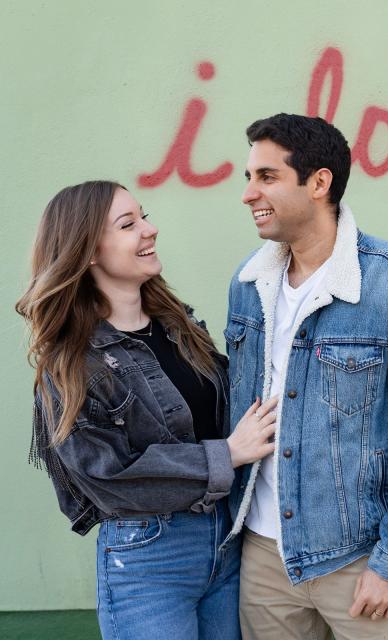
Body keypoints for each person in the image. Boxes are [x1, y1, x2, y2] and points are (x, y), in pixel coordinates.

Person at [226, 113, 388, 639]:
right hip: (263, 558)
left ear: (319, 183)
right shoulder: (249, 284)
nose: (248, 193)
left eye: (266, 176)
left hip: (358, 558)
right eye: (248, 177)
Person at [16, 181, 278, 640]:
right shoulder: (74, 362)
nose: (150, 229)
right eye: (128, 224)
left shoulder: (179, 327)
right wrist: (227, 454)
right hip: (148, 559)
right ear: (88, 251)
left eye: (144, 215)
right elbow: (106, 475)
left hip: (228, 541)